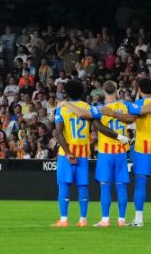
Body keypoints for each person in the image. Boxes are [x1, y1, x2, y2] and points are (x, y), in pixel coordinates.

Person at [124, 77, 151, 226]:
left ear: (139, 90)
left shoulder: (138, 104)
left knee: (140, 184)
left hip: (143, 149)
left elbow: (133, 115)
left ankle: (138, 219)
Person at [51, 79, 95, 227]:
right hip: (83, 153)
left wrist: (69, 153)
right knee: (82, 186)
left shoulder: (62, 109)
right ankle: (83, 220)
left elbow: (59, 133)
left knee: (64, 185)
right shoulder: (87, 107)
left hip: (66, 154)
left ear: (67, 92)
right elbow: (95, 127)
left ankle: (64, 220)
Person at [90, 82, 132, 227]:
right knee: (121, 186)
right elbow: (133, 118)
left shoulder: (99, 109)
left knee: (105, 186)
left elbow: (97, 126)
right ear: (117, 90)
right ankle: (122, 220)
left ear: (103, 91)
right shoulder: (124, 106)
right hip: (121, 152)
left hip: (106, 153)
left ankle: (105, 220)